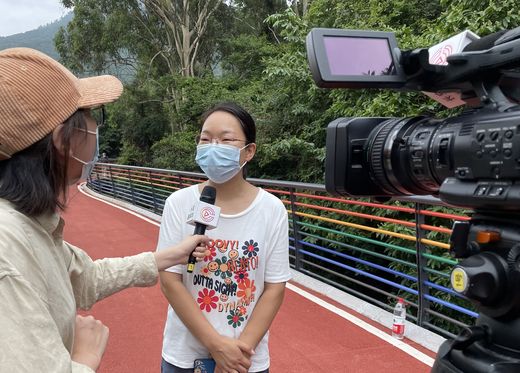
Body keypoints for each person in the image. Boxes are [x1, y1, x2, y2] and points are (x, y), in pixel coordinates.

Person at [0, 47, 209, 372]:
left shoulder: (30, 225)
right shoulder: (8, 244)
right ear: (61, 138)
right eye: (89, 117)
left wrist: (170, 255)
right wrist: (85, 357)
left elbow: (85, 277)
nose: (96, 128)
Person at [157, 102, 292, 373]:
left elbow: (274, 287)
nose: (213, 146)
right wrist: (216, 346)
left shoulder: (271, 209)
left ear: (249, 151)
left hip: (245, 359)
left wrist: (236, 355)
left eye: (226, 140)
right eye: (205, 139)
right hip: (184, 356)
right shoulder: (179, 203)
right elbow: (170, 279)